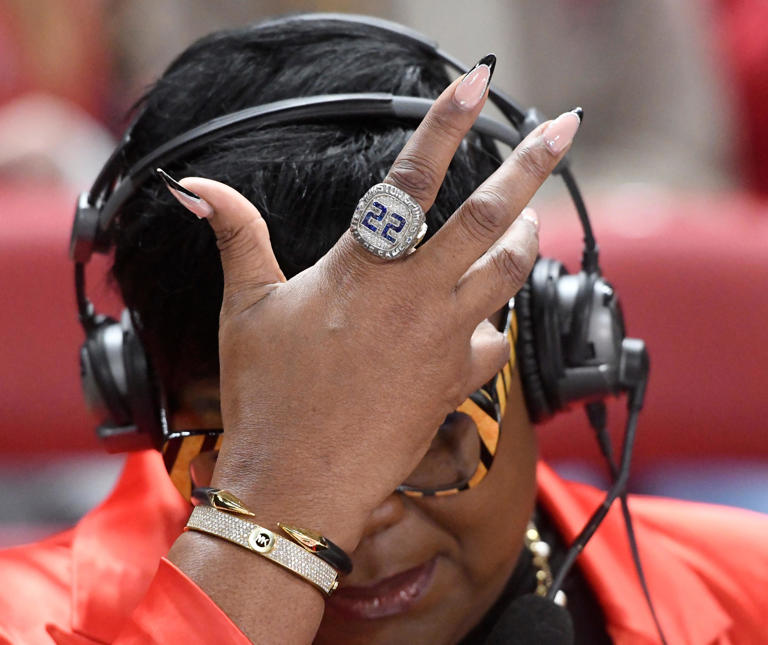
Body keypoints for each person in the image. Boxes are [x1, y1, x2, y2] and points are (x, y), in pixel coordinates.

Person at [2, 14, 768, 645]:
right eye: (243, 444)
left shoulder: (746, 595)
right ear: (146, 403)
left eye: (425, 430)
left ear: (546, 358)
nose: (355, 519)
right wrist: (272, 517)